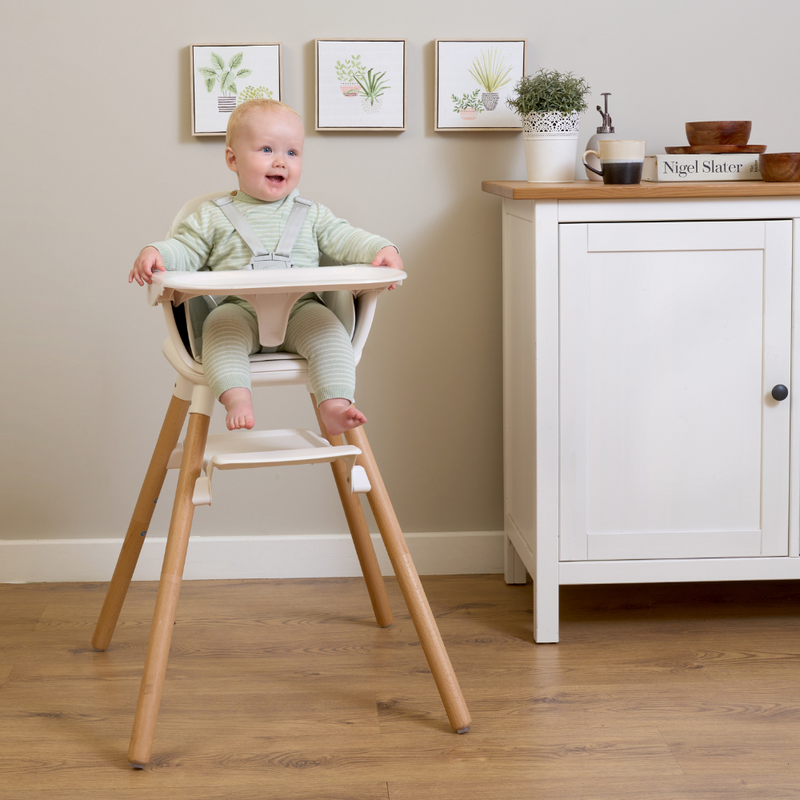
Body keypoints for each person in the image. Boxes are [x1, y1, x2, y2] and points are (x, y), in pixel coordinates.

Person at [129, 99, 402, 435]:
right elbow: (186, 248)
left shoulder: (311, 214)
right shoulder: (212, 216)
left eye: (292, 153)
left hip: (303, 311)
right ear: (232, 159)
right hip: (237, 311)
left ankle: (334, 404)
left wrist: (381, 248)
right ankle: (237, 398)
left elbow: (344, 238)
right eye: (266, 149)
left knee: (331, 336)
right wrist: (157, 252)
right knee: (219, 333)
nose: (280, 161)